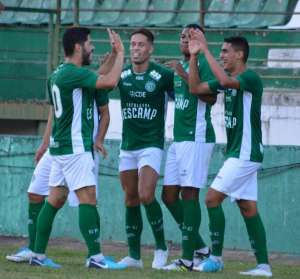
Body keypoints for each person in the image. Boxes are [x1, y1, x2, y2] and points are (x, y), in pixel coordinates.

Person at [28, 26, 125, 269]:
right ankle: (96, 257)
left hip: (59, 148)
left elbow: (94, 78)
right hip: (75, 148)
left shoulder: (59, 74)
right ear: (78, 47)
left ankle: (37, 255)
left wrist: (112, 57)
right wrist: (120, 52)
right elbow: (110, 81)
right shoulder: (73, 73)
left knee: (54, 199)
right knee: (88, 199)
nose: (92, 48)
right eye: (90, 43)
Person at [188, 30, 272, 277]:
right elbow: (195, 88)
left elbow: (224, 82)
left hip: (245, 154)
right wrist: (193, 57)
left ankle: (215, 259)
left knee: (211, 199)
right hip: (239, 153)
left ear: (240, 54)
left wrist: (204, 49)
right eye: (220, 51)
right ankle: (264, 267)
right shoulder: (230, 80)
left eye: (225, 51)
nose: (221, 55)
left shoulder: (250, 78)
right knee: (247, 207)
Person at [6, 89, 110, 263]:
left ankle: (93, 254)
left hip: (79, 146)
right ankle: (35, 251)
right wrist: (45, 143)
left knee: (87, 200)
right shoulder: (60, 75)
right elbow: (53, 112)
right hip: (57, 146)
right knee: (37, 193)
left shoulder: (87, 77)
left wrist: (116, 59)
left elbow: (106, 104)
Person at [101, 28, 173, 269]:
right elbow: (99, 80)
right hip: (128, 145)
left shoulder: (162, 75)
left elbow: (185, 95)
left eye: (141, 44)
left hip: (151, 145)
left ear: (150, 48)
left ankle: (161, 248)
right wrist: (114, 52)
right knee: (130, 198)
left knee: (146, 194)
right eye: (132, 44)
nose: (136, 48)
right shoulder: (122, 75)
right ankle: (134, 256)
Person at [161, 24, 216, 272]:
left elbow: (209, 97)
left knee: (190, 195)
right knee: (169, 196)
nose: (185, 39)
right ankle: (201, 247)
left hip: (197, 137)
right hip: (179, 138)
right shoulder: (177, 65)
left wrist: (184, 71)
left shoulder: (204, 62)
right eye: (183, 36)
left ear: (201, 40)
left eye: (191, 36)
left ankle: (186, 260)